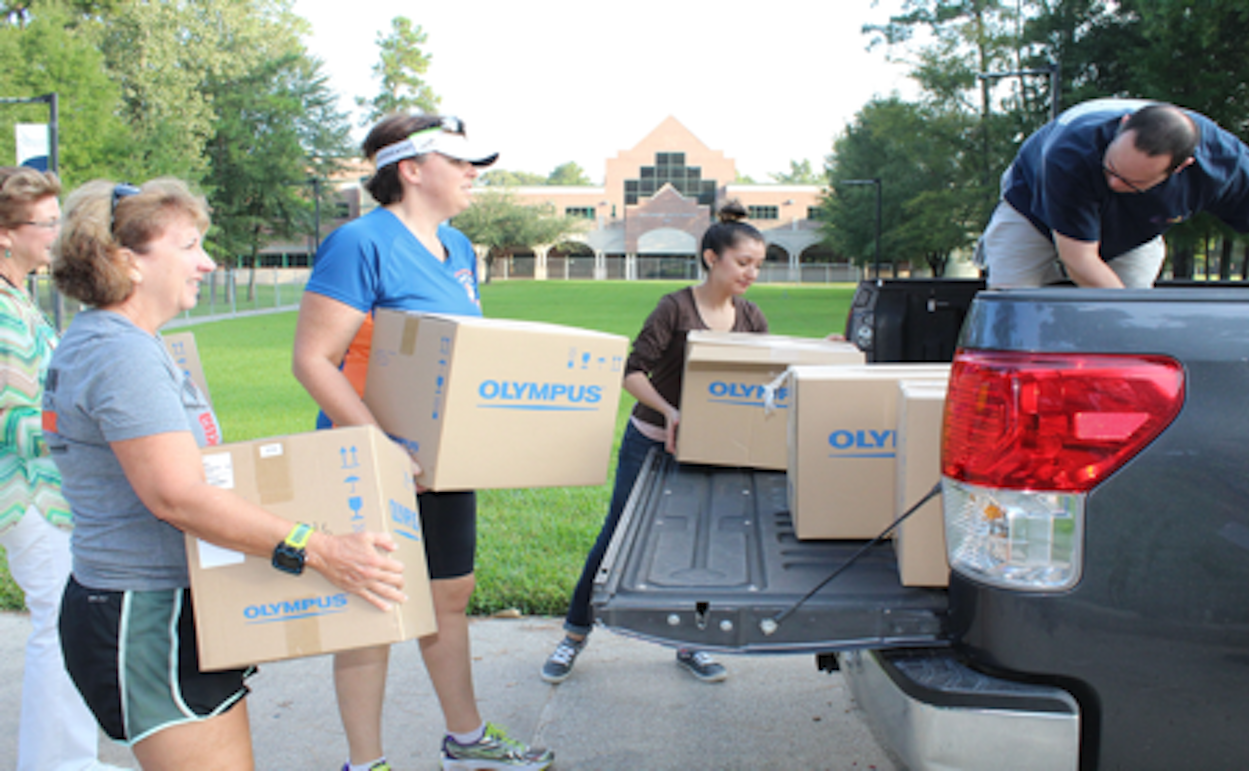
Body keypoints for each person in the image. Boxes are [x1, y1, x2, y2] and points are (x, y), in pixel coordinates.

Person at [44, 178, 408, 771]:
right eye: (188, 246)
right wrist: (319, 549)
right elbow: (178, 497)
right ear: (126, 261)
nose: (207, 262)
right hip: (146, 615)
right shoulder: (120, 354)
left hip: (159, 607)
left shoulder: (118, 341)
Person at [292, 114, 554, 771]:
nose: (475, 174)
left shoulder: (459, 248)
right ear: (410, 169)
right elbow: (313, 360)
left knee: (449, 595)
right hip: (367, 458)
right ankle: (365, 762)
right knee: (372, 606)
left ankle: (466, 742)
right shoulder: (359, 242)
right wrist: (380, 445)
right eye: (461, 161)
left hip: (443, 459)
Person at [540, 200, 767, 686]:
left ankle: (692, 642)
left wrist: (824, 350)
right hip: (650, 443)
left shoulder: (751, 318)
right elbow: (631, 371)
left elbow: (768, 377)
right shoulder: (676, 307)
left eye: (757, 266)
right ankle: (573, 636)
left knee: (699, 550)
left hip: (711, 452)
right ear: (712, 257)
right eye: (743, 263)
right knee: (614, 536)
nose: (751, 274)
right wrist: (670, 412)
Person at [0, 167, 127, 771]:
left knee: (61, 620)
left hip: (46, 489)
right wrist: (88, 433)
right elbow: (16, 418)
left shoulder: (18, 298)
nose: (57, 233)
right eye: (45, 223)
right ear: (5, 233)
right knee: (57, 622)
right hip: (28, 496)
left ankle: (64, 758)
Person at [979, 98, 1249, 289]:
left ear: (1180, 169)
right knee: (1010, 302)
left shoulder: (1225, 166)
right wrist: (1128, 313)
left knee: (1125, 332)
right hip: (1033, 211)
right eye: (1111, 168)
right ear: (1124, 124)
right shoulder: (1071, 151)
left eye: (1131, 182)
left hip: (1133, 233)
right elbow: (1079, 260)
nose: (1114, 184)